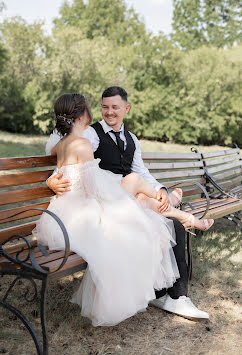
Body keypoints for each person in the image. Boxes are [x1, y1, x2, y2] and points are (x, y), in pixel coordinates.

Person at [46, 86, 213, 319]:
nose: (109, 112)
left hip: (123, 195)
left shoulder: (132, 138)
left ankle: (172, 295)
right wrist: (52, 180)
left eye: (115, 107)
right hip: (107, 199)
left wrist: (161, 190)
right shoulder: (91, 135)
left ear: (126, 108)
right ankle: (174, 296)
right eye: (105, 107)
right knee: (166, 223)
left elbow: (140, 171)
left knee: (154, 208)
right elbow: (67, 166)